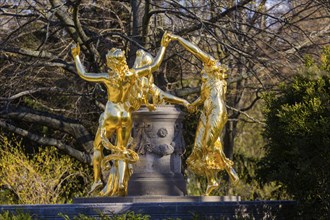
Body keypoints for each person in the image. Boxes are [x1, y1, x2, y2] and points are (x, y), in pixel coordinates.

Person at [71, 32, 172, 196]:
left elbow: (84, 75)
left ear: (111, 63)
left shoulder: (107, 77)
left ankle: (96, 180)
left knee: (97, 147)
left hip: (111, 113)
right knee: (121, 150)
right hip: (125, 116)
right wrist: (163, 46)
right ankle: (120, 184)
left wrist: (76, 56)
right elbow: (154, 65)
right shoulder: (131, 75)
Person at [167, 34, 239, 196]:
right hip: (205, 113)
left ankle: (228, 168)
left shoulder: (213, 70)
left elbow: (196, 51)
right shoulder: (206, 80)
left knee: (207, 145)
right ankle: (212, 181)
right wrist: (192, 105)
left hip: (217, 112)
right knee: (200, 147)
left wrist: (178, 39)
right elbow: (203, 97)